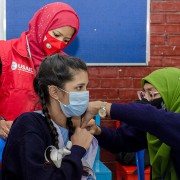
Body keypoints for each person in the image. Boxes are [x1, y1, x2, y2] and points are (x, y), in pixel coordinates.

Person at [2, 54, 98, 180]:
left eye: (86, 87)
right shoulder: (28, 125)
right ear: (54, 92)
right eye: (79, 87)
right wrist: (77, 150)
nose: (85, 94)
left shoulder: (74, 127)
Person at [82, 67, 180, 179]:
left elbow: (154, 118)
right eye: (144, 94)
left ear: (173, 93)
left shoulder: (168, 123)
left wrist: (103, 106)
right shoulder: (154, 127)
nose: (147, 101)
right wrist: (97, 131)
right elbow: (120, 139)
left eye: (152, 95)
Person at [0, 2, 80, 139]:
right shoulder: (4, 52)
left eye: (66, 40)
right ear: (42, 26)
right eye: (56, 34)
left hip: (43, 141)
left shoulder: (65, 64)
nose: (60, 43)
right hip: (6, 138)